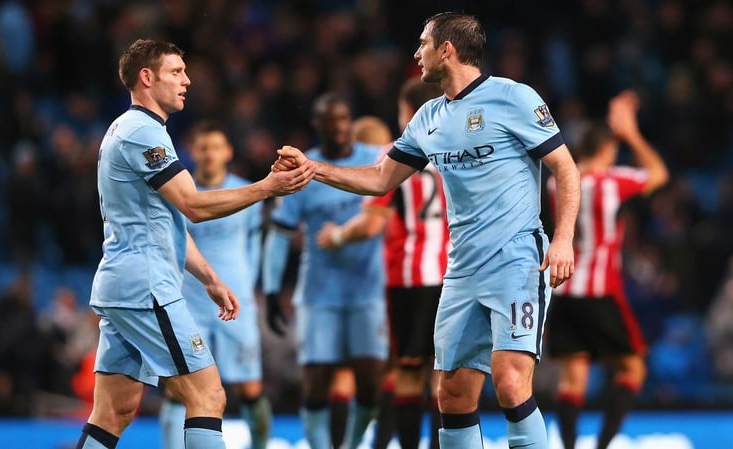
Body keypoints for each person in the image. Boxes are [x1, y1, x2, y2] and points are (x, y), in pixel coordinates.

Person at [275, 12, 580, 449]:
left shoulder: (513, 97)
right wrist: (313, 169)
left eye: (423, 44)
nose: (416, 53)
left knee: (511, 381)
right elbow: (380, 178)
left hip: (516, 259)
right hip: (461, 271)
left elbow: (565, 168)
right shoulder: (428, 117)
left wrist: (565, 237)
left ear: (447, 49)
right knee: (451, 393)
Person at [74, 38, 312, 449]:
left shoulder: (129, 129)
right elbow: (194, 205)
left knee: (115, 411)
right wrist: (268, 187)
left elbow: (168, 221)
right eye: (176, 72)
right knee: (208, 394)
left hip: (124, 285)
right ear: (146, 78)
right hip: (146, 286)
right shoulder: (142, 132)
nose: (188, 80)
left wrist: (209, 278)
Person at [316, 78, 447, 449]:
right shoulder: (456, 149)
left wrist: (337, 235)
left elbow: (373, 221)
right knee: (444, 374)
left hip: (407, 278)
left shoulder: (396, 153)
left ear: (408, 111)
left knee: (405, 373)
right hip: (452, 276)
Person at [262, 92, 388, 449]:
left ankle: (350, 445)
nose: (339, 127)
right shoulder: (301, 169)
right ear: (317, 125)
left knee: (370, 382)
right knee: (316, 381)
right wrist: (271, 290)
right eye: (330, 121)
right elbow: (281, 233)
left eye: (344, 119)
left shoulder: (376, 161)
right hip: (319, 292)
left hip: (370, 290)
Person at [545, 90, 669, 449]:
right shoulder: (611, 182)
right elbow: (659, 174)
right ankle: (601, 446)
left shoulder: (556, 183)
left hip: (564, 290)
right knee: (633, 369)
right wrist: (630, 133)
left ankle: (568, 447)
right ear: (607, 150)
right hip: (600, 292)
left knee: (572, 379)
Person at [159, 120, 273, 449]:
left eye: (215, 147)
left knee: (250, 388)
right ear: (193, 152)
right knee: (179, 388)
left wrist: (248, 287)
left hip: (238, 302)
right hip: (189, 304)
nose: (209, 154)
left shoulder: (245, 192)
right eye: (203, 147)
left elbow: (255, 248)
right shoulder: (180, 195)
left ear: (228, 152)